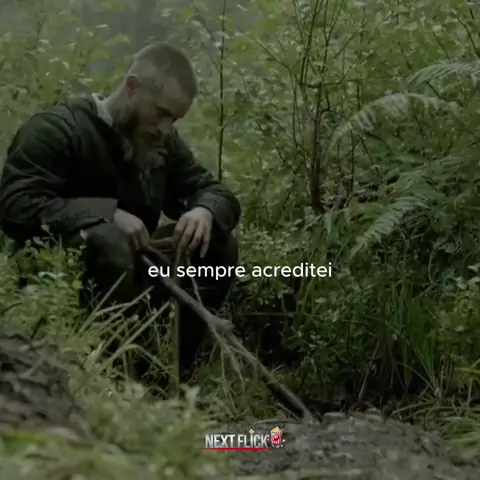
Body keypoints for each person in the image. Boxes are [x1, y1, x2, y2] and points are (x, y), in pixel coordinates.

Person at [0, 42, 241, 385]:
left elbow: (216, 192)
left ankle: (170, 374)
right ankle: (114, 378)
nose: (165, 128)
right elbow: (15, 205)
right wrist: (107, 214)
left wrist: (204, 210)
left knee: (215, 241)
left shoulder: (161, 142)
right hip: (63, 282)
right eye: (160, 113)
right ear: (132, 87)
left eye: (174, 119)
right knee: (108, 240)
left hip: (139, 276)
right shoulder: (56, 130)